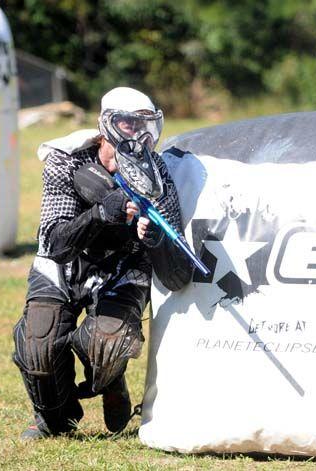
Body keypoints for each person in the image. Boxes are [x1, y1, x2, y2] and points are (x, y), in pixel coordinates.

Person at [12, 86, 193, 440]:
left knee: (105, 342)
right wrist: (99, 215)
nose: (137, 133)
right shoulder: (67, 160)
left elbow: (177, 274)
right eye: (127, 123)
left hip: (124, 265)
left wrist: (155, 239)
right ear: (106, 125)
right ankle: (53, 418)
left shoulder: (157, 175)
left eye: (146, 124)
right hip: (66, 262)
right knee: (40, 340)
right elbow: (55, 243)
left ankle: (111, 378)